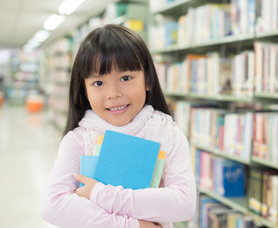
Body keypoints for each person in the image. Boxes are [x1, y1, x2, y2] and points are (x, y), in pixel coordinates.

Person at [42, 24, 196, 228]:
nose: (113, 93)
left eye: (125, 78)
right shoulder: (79, 139)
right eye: (98, 83)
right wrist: (135, 226)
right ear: (84, 89)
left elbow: (184, 205)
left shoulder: (167, 133)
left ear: (147, 80)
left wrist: (99, 193)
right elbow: (53, 206)